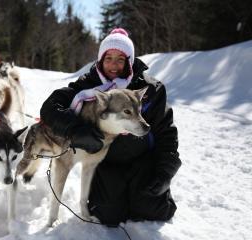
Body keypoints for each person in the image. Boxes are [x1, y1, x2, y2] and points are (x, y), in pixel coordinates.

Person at [40, 28, 181, 226]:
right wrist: (76, 131)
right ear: (100, 60)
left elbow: (166, 133)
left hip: (143, 161)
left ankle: (144, 197)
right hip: (106, 164)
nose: (113, 65)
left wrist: (165, 172)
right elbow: (50, 108)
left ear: (129, 62)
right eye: (108, 58)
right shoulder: (88, 85)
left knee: (153, 211)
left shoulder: (151, 89)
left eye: (120, 59)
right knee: (108, 216)